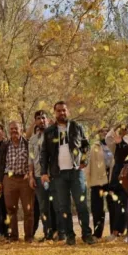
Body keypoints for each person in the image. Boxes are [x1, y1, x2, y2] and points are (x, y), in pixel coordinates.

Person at [39, 101, 94, 246]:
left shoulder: (77, 127)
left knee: (81, 205)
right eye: (58, 111)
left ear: (67, 111)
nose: (61, 113)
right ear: (54, 112)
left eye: (64, 110)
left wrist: (84, 160)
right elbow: (43, 153)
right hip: (58, 174)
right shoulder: (49, 131)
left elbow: (86, 146)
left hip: (76, 172)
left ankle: (87, 234)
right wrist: (44, 172)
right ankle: (70, 235)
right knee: (63, 207)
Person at [0, 121, 35, 242]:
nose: (14, 131)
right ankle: (13, 236)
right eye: (11, 128)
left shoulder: (27, 144)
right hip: (9, 179)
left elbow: (32, 162)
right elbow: (1, 164)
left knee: (28, 209)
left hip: (25, 179)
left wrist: (31, 176)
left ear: (21, 129)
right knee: (10, 209)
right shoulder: (5, 145)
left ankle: (29, 236)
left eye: (16, 128)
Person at [29, 111, 56, 241]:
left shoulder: (54, 134)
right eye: (38, 119)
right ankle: (48, 233)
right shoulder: (33, 139)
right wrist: (31, 176)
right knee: (43, 207)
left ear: (48, 119)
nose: (41, 121)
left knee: (57, 204)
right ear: (35, 121)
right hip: (39, 176)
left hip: (54, 175)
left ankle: (60, 232)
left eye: (43, 118)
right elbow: (31, 160)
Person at [105, 124, 128, 240]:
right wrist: (114, 127)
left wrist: (122, 141)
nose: (123, 131)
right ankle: (116, 232)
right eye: (121, 129)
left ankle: (126, 232)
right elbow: (108, 138)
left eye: (125, 129)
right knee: (117, 206)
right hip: (117, 176)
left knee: (126, 205)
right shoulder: (115, 143)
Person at [86, 126, 112, 239]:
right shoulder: (94, 147)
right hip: (98, 180)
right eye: (102, 131)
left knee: (113, 207)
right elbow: (89, 165)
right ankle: (97, 234)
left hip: (111, 179)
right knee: (97, 208)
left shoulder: (114, 145)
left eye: (107, 130)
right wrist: (89, 181)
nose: (104, 132)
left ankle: (115, 233)